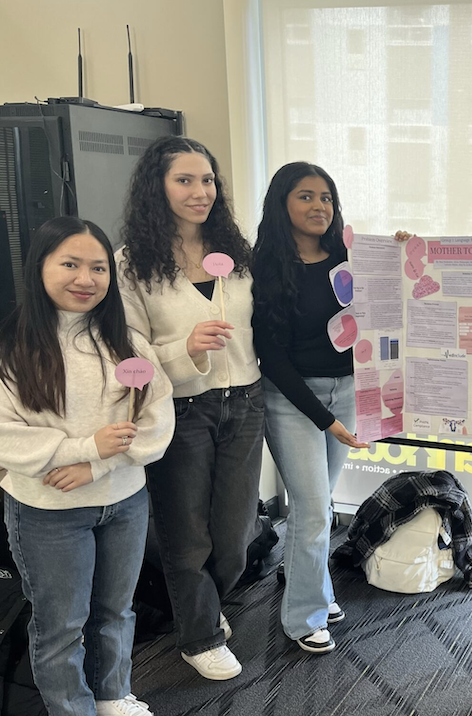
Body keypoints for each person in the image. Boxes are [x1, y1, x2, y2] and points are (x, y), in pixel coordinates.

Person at [0, 217, 174, 716]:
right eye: (70, 264)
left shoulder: (129, 345)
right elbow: (7, 435)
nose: (86, 279)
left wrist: (97, 465)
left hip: (124, 501)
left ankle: (112, 696)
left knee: (116, 611)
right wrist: (85, 448)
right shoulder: (13, 346)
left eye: (98, 268)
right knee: (61, 626)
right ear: (39, 267)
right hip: (48, 511)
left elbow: (157, 421)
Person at [252, 161, 411, 654]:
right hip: (291, 398)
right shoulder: (266, 268)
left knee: (318, 503)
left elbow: (397, 302)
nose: (318, 205)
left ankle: (310, 583)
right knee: (311, 507)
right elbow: (272, 357)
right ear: (282, 203)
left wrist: (402, 253)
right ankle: (304, 617)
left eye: (326, 197)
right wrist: (327, 421)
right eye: (305, 196)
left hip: (347, 391)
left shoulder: (350, 257)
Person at [118, 136, 262, 681]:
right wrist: (185, 349)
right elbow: (127, 356)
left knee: (235, 538)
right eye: (185, 180)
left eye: (208, 180)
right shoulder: (131, 265)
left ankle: (202, 603)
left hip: (245, 402)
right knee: (186, 536)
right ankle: (198, 635)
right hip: (181, 411)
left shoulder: (236, 254)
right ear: (157, 187)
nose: (200, 191)